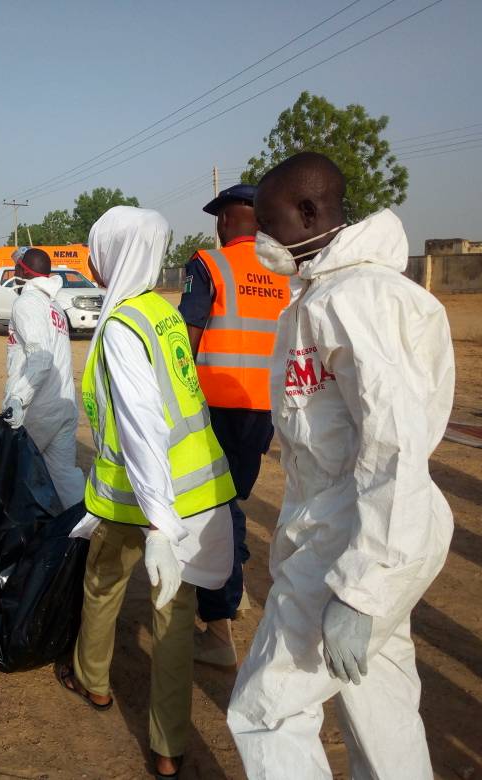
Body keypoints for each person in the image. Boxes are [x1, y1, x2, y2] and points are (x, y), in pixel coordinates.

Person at [225, 152, 454, 778]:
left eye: (268, 224)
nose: (261, 241)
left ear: (309, 212)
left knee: (267, 708)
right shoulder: (322, 295)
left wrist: (365, 587)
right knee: (377, 698)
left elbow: (396, 448)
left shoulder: (364, 300)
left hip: (357, 537)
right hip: (345, 531)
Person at [57, 206, 236, 779]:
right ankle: (168, 747)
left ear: (115, 255)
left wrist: (159, 522)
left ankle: (93, 680)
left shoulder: (119, 328)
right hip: (194, 491)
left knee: (104, 585)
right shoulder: (162, 313)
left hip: (143, 500)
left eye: (97, 250)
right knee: (174, 618)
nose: (91, 261)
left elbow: (141, 425)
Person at [178, 183, 290, 668]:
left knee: (215, 509)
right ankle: (235, 591)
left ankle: (220, 625)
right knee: (234, 499)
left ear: (224, 222)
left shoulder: (211, 264)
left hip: (214, 408)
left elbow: (188, 336)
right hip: (265, 409)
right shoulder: (285, 272)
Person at [2, 247, 84, 510]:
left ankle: (18, 541)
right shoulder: (55, 307)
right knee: (64, 477)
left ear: (24, 272)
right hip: (64, 405)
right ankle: (82, 535)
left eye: (17, 267)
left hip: (37, 408)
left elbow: (40, 359)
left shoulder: (27, 304)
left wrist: (18, 398)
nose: (14, 270)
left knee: (15, 476)